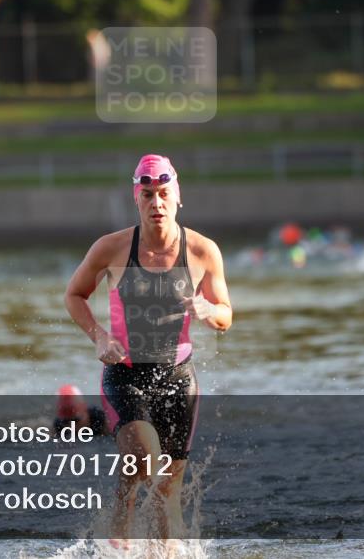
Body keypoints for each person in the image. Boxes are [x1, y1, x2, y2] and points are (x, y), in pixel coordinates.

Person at [64, 154, 232, 543]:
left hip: (178, 378)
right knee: (145, 462)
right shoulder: (112, 248)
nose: (156, 203)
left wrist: (209, 309)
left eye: (163, 193)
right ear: (135, 198)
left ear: (178, 196)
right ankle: (118, 544)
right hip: (126, 374)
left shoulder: (203, 251)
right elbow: (74, 295)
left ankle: (163, 553)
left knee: (166, 489)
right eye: (148, 195)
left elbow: (226, 315)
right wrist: (100, 337)